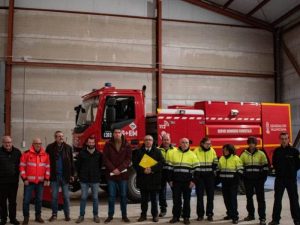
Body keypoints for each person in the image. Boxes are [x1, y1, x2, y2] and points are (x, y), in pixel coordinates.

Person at [268, 132, 300, 225]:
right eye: (282, 139)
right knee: (277, 200)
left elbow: (298, 164)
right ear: (280, 140)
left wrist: (291, 172)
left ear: (288, 139)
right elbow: (274, 163)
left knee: (294, 200)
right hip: (279, 179)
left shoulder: (294, 151)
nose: (284, 140)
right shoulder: (277, 151)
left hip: (291, 179)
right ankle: (275, 220)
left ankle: (297, 220)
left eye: (285, 138)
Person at [132, 135, 164, 223]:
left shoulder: (157, 151)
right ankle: (143, 215)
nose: (148, 141)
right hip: (143, 179)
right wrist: (143, 170)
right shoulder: (139, 152)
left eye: (150, 140)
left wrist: (151, 169)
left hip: (154, 180)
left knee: (154, 200)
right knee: (144, 200)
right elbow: (135, 164)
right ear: (144, 141)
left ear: (153, 141)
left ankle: (155, 215)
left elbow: (162, 163)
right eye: (146, 140)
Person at [103, 128, 132, 223]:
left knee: (123, 196)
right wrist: (113, 169)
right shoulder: (108, 144)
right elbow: (105, 158)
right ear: (113, 134)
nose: (117, 134)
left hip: (122, 175)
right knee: (111, 196)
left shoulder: (127, 145)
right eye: (115, 132)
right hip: (111, 175)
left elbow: (128, 159)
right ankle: (110, 216)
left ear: (121, 133)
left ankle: (124, 216)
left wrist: (119, 169)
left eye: (119, 132)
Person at [167, 138, 198, 225]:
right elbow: (169, 169)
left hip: (187, 182)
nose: (184, 144)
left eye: (186, 142)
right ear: (179, 143)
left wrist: (193, 181)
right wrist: (170, 180)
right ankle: (175, 217)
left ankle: (186, 217)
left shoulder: (192, 155)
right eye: (183, 142)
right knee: (176, 200)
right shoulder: (174, 154)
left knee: (187, 201)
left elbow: (197, 170)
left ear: (189, 144)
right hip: (176, 182)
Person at [19, 138, 50, 225]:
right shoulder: (26, 154)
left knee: (39, 200)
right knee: (26, 201)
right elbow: (22, 167)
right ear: (33, 144)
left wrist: (47, 178)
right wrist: (24, 179)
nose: (38, 145)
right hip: (29, 182)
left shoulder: (45, 155)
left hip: (40, 182)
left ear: (41, 144)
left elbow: (47, 168)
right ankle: (26, 218)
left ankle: (38, 216)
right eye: (36, 143)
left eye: (39, 143)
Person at [46, 131, 74, 222]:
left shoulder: (68, 148)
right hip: (54, 177)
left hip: (65, 177)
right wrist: (47, 176)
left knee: (66, 197)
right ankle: (54, 215)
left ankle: (67, 215)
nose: (61, 138)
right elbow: (46, 162)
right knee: (54, 197)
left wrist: (72, 174)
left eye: (62, 136)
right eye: (59, 136)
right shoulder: (50, 148)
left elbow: (71, 162)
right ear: (55, 137)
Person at [240, 136, 268, 225]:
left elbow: (266, 168)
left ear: (256, 144)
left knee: (261, 199)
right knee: (249, 198)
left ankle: (262, 218)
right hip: (248, 181)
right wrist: (244, 177)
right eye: (250, 143)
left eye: (253, 143)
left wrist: (262, 179)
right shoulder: (243, 154)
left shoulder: (261, 154)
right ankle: (251, 215)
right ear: (248, 144)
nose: (251, 145)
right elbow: (240, 167)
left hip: (259, 181)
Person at [75, 136, 102, 224]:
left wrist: (98, 175)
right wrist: (78, 176)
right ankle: (81, 215)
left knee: (95, 198)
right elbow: (77, 166)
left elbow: (100, 166)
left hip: (95, 180)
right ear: (87, 143)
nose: (91, 144)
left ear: (95, 143)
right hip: (84, 180)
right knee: (83, 198)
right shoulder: (82, 153)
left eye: (92, 142)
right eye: (89, 142)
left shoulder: (99, 154)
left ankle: (96, 215)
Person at [193, 137, 218, 221]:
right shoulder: (196, 151)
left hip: (209, 177)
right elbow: (194, 163)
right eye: (207, 144)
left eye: (210, 144)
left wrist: (213, 170)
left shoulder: (212, 150)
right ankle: (200, 215)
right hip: (200, 177)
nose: (209, 145)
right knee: (200, 197)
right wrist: (196, 175)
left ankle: (209, 214)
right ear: (202, 143)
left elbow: (215, 162)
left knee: (210, 196)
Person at [218, 144, 243, 224]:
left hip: (233, 183)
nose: (224, 151)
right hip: (224, 183)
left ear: (230, 150)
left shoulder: (236, 158)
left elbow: (240, 170)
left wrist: (235, 180)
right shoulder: (221, 158)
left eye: (226, 150)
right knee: (226, 199)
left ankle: (235, 217)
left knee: (232, 200)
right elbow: (218, 169)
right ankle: (229, 214)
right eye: (224, 150)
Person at [0, 136, 22, 225]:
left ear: (12, 142)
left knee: (13, 202)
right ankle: (3, 219)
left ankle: (13, 219)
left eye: (9, 142)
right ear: (2, 143)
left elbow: (21, 166)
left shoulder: (17, 152)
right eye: (6, 142)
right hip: (1, 182)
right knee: (2, 202)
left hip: (13, 182)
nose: (8, 144)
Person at [157, 134, 175, 217]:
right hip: (161, 174)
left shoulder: (175, 150)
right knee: (161, 192)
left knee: (176, 192)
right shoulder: (157, 150)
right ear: (162, 140)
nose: (166, 141)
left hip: (172, 174)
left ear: (170, 140)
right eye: (164, 139)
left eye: (167, 139)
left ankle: (178, 209)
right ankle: (163, 209)